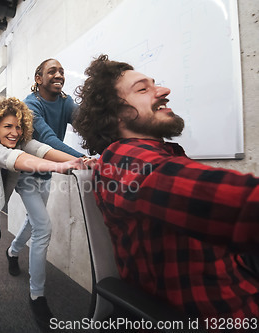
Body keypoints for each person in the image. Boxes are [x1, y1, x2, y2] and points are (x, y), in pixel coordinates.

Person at [73, 54, 259, 323]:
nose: (164, 91)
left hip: (236, 276)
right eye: (143, 89)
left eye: (155, 84)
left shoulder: (160, 154)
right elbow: (239, 204)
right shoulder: (124, 162)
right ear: (115, 115)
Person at [0, 97, 86, 311]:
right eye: (8, 126)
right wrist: (59, 167)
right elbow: (10, 157)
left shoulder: (19, 141)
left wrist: (80, 160)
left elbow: (41, 148)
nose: (14, 132)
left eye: (18, 127)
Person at [6, 58, 87, 327]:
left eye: (62, 71)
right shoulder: (31, 104)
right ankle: (37, 295)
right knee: (43, 227)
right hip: (27, 174)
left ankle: (13, 250)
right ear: (38, 78)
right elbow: (48, 139)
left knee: (32, 221)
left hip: (47, 172)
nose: (59, 74)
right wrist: (82, 160)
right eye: (52, 70)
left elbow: (83, 123)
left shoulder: (64, 102)